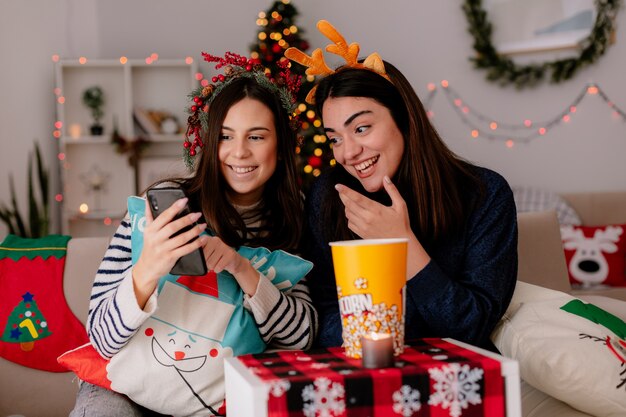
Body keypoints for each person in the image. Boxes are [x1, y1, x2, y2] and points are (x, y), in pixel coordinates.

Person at [70, 52, 317, 417]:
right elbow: (102, 339)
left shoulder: (290, 218)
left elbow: (300, 337)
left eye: (257, 136)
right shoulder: (161, 209)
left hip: (214, 401)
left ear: (280, 147)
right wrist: (147, 269)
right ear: (209, 142)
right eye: (226, 136)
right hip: (123, 392)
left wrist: (241, 267)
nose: (239, 152)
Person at [287, 21, 517, 351]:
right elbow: (322, 319)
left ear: (405, 120)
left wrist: (401, 243)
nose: (348, 152)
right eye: (335, 137)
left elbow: (473, 327)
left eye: (362, 128)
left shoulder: (484, 194)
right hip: (363, 374)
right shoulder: (330, 194)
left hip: (459, 380)